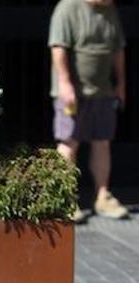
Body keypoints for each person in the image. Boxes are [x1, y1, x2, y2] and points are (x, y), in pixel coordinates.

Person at [49, 0, 128, 222]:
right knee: (69, 142)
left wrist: (121, 83)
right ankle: (65, 199)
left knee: (102, 141)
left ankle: (103, 196)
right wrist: (65, 84)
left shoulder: (110, 9)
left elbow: (117, 49)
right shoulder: (67, 8)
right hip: (73, 91)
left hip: (102, 90)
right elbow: (58, 48)